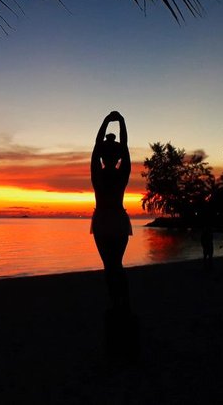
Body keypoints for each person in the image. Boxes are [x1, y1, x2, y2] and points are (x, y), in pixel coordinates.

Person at [90, 111, 132, 311]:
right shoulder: (122, 174)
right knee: (117, 264)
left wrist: (106, 121)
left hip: (104, 220)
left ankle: (116, 300)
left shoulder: (97, 174)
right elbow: (124, 146)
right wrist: (121, 122)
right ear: (117, 157)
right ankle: (120, 299)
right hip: (117, 219)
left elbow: (97, 146)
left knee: (110, 265)